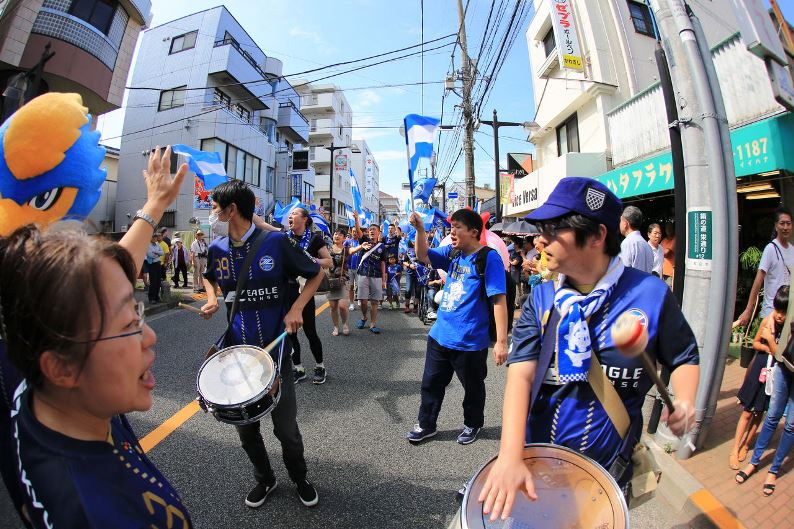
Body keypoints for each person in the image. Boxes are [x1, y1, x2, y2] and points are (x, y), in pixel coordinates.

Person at [478, 177, 699, 520]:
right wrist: (510, 457)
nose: (540, 240)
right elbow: (520, 377)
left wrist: (684, 400)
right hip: (536, 471)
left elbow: (683, 356)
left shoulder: (650, 295)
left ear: (596, 235)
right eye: (541, 229)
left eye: (553, 229)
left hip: (607, 475)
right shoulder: (542, 298)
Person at [0, 145, 191, 528]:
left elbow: (101, 289)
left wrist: (154, 205)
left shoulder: (33, 353)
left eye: (137, 313)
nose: (149, 336)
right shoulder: (94, 512)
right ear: (61, 368)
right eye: (128, 324)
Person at [200, 179, 323, 510]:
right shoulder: (217, 249)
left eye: (215, 208)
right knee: (245, 428)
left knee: (286, 428)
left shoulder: (276, 242)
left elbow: (316, 273)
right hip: (237, 354)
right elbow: (209, 277)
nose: (212, 214)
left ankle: (299, 477)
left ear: (232, 210)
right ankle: (265, 478)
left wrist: (296, 308)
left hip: (276, 353)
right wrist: (211, 298)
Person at [405, 209, 508, 446]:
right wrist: (420, 229)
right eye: (451, 227)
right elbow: (422, 255)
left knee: (473, 388)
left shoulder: (488, 258)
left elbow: (498, 300)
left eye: (457, 227)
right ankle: (426, 424)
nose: (452, 232)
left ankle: (473, 423)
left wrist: (501, 342)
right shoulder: (452, 252)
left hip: (470, 340)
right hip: (440, 335)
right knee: (430, 384)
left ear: (474, 232)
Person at [737, 286, 794, 496]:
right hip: (784, 367)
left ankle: (774, 470)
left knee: (791, 425)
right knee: (772, 417)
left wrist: (770, 339)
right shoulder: (780, 313)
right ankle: (754, 461)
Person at [287, 208, 332, 385]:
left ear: (305, 219)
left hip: (305, 290)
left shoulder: (315, 239)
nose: (290, 216)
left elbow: (329, 261)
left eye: (294, 214)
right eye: (289, 215)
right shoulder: (284, 238)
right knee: (290, 332)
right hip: (286, 289)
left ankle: (320, 366)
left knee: (310, 331)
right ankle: (298, 368)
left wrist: (313, 260)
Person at [735, 207, 794, 327]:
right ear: (776, 226)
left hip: (788, 314)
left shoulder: (792, 250)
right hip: (771, 313)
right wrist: (748, 310)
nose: (785, 227)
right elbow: (758, 281)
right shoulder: (770, 249)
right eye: (782, 223)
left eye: (788, 223)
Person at [353, 223, 387, 333]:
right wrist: (356, 219)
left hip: (376, 275)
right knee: (363, 300)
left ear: (379, 232)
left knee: (375, 301)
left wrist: (384, 280)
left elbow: (383, 263)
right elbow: (358, 231)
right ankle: (364, 317)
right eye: (370, 229)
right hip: (363, 273)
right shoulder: (364, 241)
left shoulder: (382, 247)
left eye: (374, 229)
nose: (371, 231)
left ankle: (373, 324)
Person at [327, 228, 350, 336]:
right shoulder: (327, 249)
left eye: (340, 235)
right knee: (333, 307)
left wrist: (361, 246)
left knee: (342, 306)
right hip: (330, 281)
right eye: (335, 234)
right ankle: (336, 326)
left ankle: (345, 324)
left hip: (343, 280)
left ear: (344, 238)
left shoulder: (346, 249)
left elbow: (354, 250)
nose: (337, 236)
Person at [619, 205, 654, 273]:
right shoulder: (647, 245)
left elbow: (622, 272)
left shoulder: (627, 243)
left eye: (620, 220)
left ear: (625, 223)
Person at [344, 212, 363, 312]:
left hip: (359, 268)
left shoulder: (361, 241)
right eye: (353, 231)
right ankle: (351, 303)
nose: (355, 233)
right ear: (351, 232)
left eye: (356, 231)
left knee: (360, 286)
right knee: (351, 287)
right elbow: (343, 251)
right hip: (349, 268)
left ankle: (359, 299)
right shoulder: (347, 242)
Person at [403, 239, 420, 314]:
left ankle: (415, 306)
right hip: (410, 272)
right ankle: (407, 306)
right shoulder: (408, 250)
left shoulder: (422, 249)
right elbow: (404, 261)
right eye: (413, 240)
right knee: (408, 289)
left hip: (419, 273)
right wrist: (410, 265)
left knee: (418, 290)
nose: (414, 241)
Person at [146, 233, 164, 303]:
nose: (154, 238)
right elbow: (150, 255)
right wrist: (158, 254)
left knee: (158, 281)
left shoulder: (158, 244)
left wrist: (156, 252)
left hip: (158, 264)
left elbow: (162, 253)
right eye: (153, 237)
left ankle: (156, 297)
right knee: (153, 281)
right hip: (152, 264)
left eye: (155, 237)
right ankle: (151, 298)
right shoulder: (148, 245)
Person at [662, 222, 676, 287]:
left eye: (670, 228)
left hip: (670, 272)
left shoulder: (675, 239)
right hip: (662, 271)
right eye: (667, 228)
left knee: (668, 290)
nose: (668, 230)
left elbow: (666, 253)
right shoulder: (664, 240)